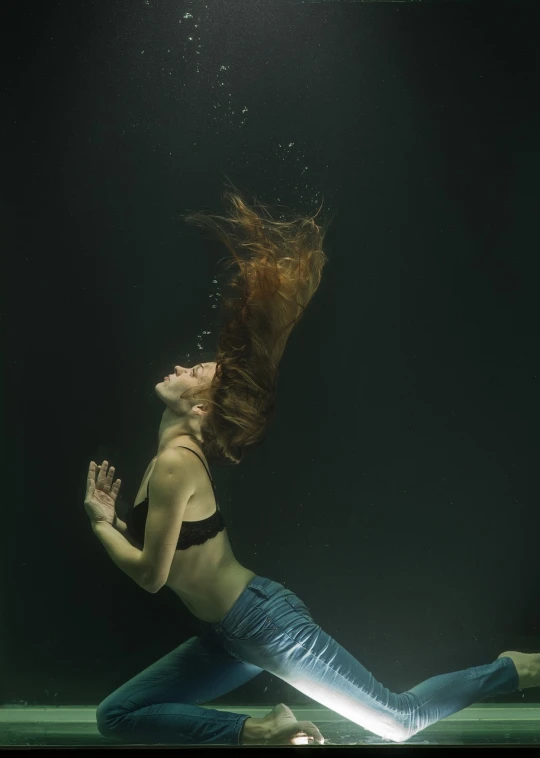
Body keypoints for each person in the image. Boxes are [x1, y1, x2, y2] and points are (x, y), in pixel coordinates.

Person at [84, 185, 537, 746]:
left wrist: (103, 525)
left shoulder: (176, 463)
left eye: (191, 370)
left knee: (398, 722)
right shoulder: (170, 461)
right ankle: (263, 729)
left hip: (262, 623)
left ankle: (512, 669)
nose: (179, 366)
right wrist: (116, 523)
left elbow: (153, 576)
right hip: (227, 634)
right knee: (117, 715)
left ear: (197, 406)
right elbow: (173, 559)